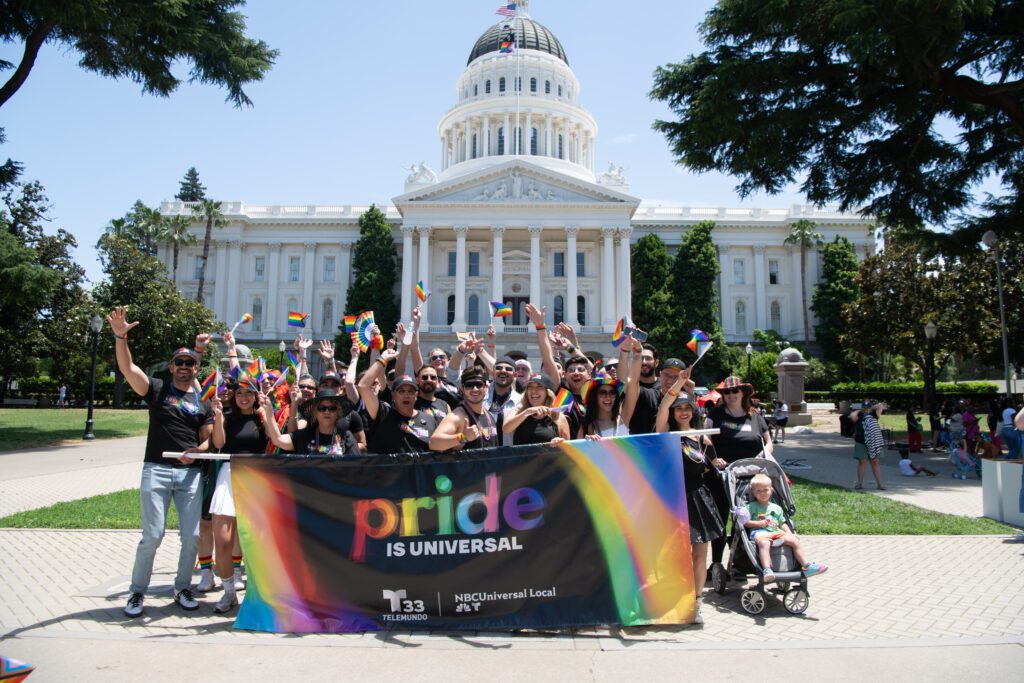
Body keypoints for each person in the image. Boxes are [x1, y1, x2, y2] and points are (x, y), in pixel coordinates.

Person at [107, 306, 214, 618]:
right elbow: (129, 369)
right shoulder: (156, 389)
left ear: (197, 368)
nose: (184, 366)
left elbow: (209, 439)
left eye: (190, 363)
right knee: (152, 535)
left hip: (189, 473)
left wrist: (197, 451)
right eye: (179, 362)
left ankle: (182, 587)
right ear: (171, 366)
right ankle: (137, 591)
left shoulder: (202, 401)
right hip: (156, 469)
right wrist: (120, 337)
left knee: (192, 536)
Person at [655, 382, 724, 625]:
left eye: (687, 407)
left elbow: (711, 463)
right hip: (673, 500)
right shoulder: (666, 435)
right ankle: (672, 600)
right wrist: (676, 385)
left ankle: (696, 602)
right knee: (673, 554)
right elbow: (662, 408)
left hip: (698, 497)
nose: (683, 412)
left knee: (700, 553)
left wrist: (718, 463)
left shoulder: (703, 437)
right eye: (678, 408)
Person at [207, 377, 268, 613]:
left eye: (249, 393)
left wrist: (268, 412)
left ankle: (257, 592)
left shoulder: (262, 418)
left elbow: (275, 439)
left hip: (257, 477)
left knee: (256, 540)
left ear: (256, 395)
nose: (244, 397)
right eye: (240, 393)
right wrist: (219, 415)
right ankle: (229, 592)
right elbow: (219, 443)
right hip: (229, 473)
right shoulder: (228, 416)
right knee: (222, 540)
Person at [705, 376, 773, 571]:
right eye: (726, 392)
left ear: (743, 392)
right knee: (720, 519)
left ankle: (743, 562)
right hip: (721, 477)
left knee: (747, 518)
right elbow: (705, 438)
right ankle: (716, 564)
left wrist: (764, 454)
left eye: (735, 391)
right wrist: (714, 458)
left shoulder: (755, 416)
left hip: (750, 479)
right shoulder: (714, 415)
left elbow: (768, 441)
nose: (731, 395)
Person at [744, 473, 826, 582]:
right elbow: (745, 522)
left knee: (795, 541)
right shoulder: (751, 507)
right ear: (753, 493)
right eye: (758, 491)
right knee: (764, 543)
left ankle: (807, 566)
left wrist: (789, 533)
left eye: (765, 490)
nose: (762, 493)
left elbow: (782, 523)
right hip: (760, 532)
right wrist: (758, 524)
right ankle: (767, 569)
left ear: (771, 490)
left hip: (775, 531)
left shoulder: (776, 508)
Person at [358, 348, 441, 453]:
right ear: (393, 395)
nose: (406, 395)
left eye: (410, 391)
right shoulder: (384, 415)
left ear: (416, 395)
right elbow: (363, 386)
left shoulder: (429, 420)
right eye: (401, 391)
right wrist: (382, 359)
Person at [262, 389, 359, 456]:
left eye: (332, 408)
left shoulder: (346, 436)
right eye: (322, 408)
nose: (327, 412)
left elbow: (356, 466)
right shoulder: (304, 436)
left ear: (338, 413)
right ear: (315, 412)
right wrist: (269, 411)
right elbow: (278, 440)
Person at [430, 366, 500, 451]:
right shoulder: (458, 416)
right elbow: (433, 443)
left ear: (485, 387)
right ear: (462, 389)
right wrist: (463, 437)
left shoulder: (489, 415)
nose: (475, 389)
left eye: (479, 385)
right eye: (469, 385)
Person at [501, 373, 570, 445]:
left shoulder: (558, 416)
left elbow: (569, 449)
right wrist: (527, 411)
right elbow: (506, 429)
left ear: (548, 393)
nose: (534, 391)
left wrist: (560, 442)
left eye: (539, 387)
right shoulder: (518, 411)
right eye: (530, 387)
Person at [852, 400, 886, 490]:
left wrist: (871, 409)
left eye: (868, 407)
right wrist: (860, 411)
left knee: (875, 462)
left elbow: (880, 405)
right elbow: (852, 417)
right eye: (865, 407)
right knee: (862, 462)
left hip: (873, 442)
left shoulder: (874, 414)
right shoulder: (858, 415)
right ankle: (859, 483)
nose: (866, 409)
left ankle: (879, 484)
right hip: (861, 442)